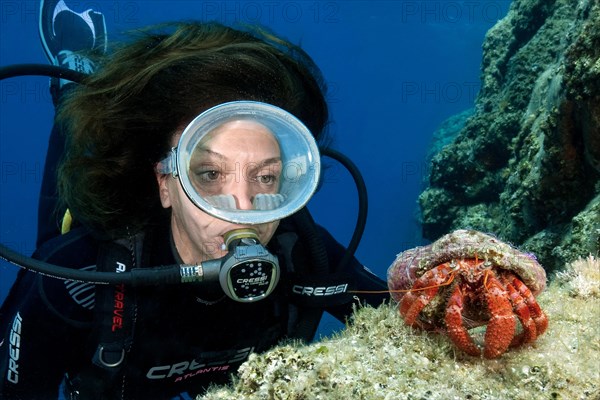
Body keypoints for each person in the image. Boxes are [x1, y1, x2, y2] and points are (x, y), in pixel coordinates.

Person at [0, 1, 389, 399]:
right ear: (167, 183)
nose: (243, 208)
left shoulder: (301, 250)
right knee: (79, 157)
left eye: (266, 176)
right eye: (209, 174)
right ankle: (76, 73)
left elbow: (399, 317)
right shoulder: (73, 278)